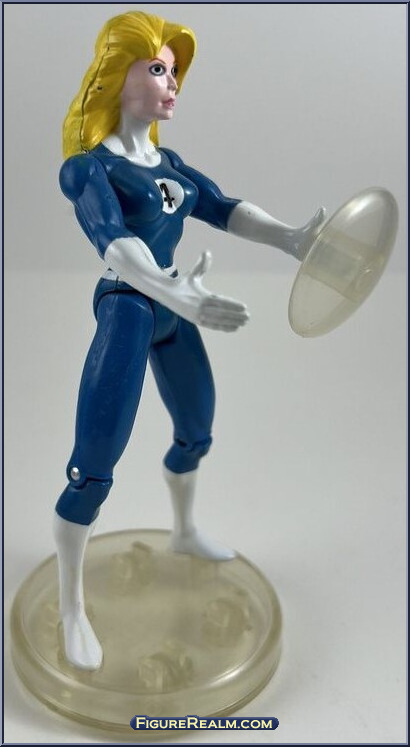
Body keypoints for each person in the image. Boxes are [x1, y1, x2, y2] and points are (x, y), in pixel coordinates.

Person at [55, 10, 325, 670]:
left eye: (174, 71)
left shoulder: (168, 163)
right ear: (117, 77)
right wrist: (173, 293)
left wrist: (292, 238)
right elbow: (113, 242)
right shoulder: (89, 169)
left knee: (197, 430)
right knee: (93, 465)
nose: (171, 82)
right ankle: (70, 607)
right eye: (157, 69)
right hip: (129, 310)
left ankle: (182, 531)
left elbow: (224, 206)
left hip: (173, 309)